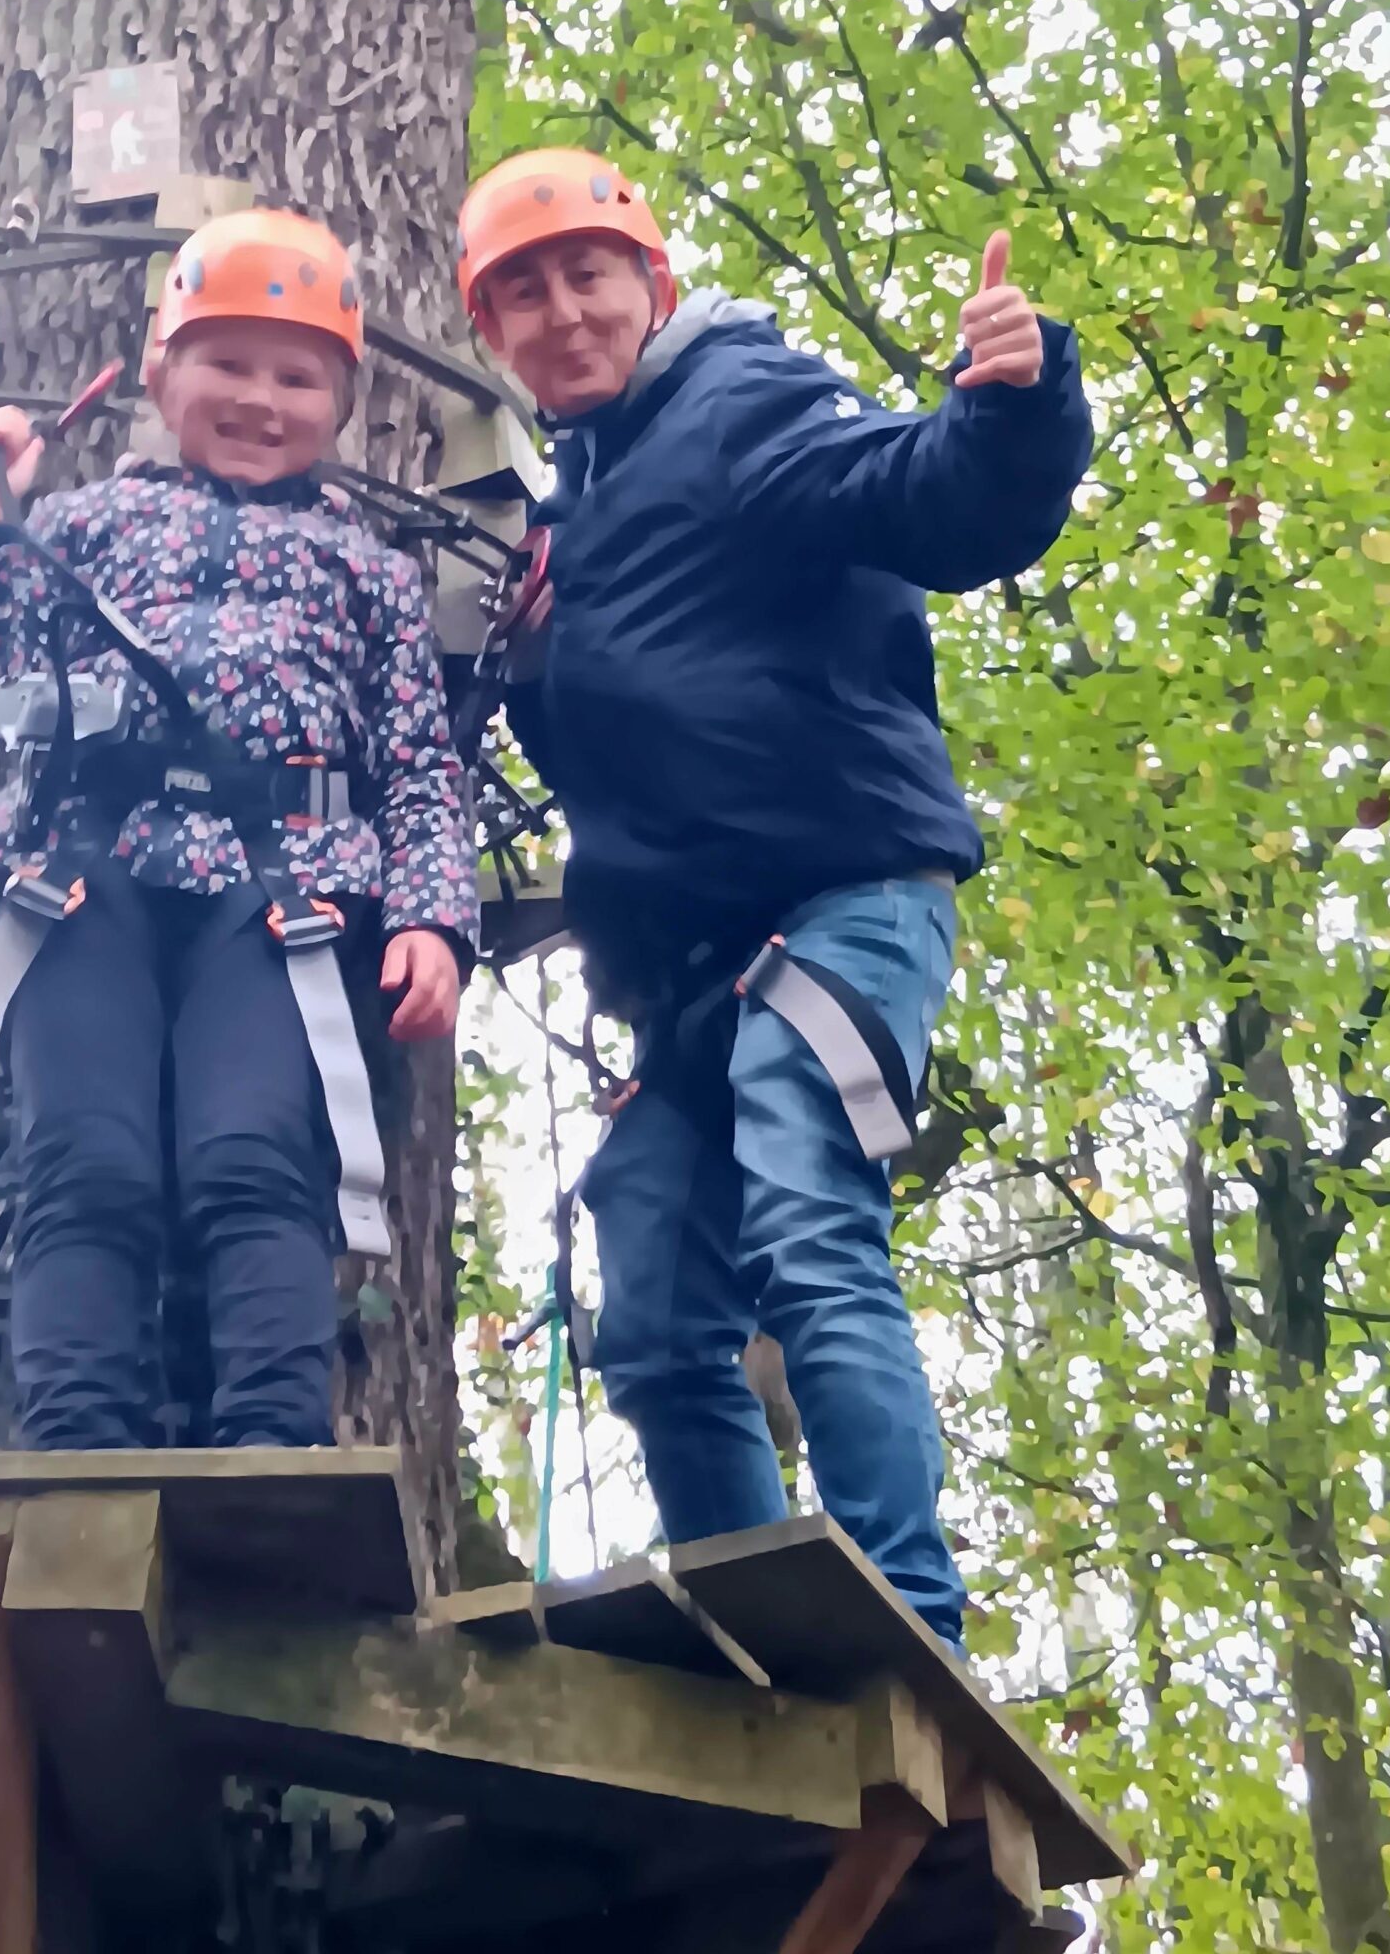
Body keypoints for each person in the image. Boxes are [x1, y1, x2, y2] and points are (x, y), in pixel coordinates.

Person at [455, 148, 1093, 1644]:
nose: (563, 314)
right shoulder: (574, 509)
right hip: (694, 972)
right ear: (494, 337)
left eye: (588, 276)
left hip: (840, 899)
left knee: (810, 1210)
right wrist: (534, 670)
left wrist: (1014, 402)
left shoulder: (740, 402)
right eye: (524, 295)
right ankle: (763, 1638)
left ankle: (906, 1622)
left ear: (653, 284)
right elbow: (646, 726)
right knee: (656, 1316)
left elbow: (928, 500)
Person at [0, 209, 478, 1452]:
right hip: (83, 870)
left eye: (297, 377)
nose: (260, 399)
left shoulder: (369, 572)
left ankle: (272, 1446)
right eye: (227, 363)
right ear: (160, 375)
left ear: (342, 405)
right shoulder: (77, 527)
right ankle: (77, 1452)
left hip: (281, 888)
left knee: (254, 1156)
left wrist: (433, 918)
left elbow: (419, 767)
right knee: (82, 1159)